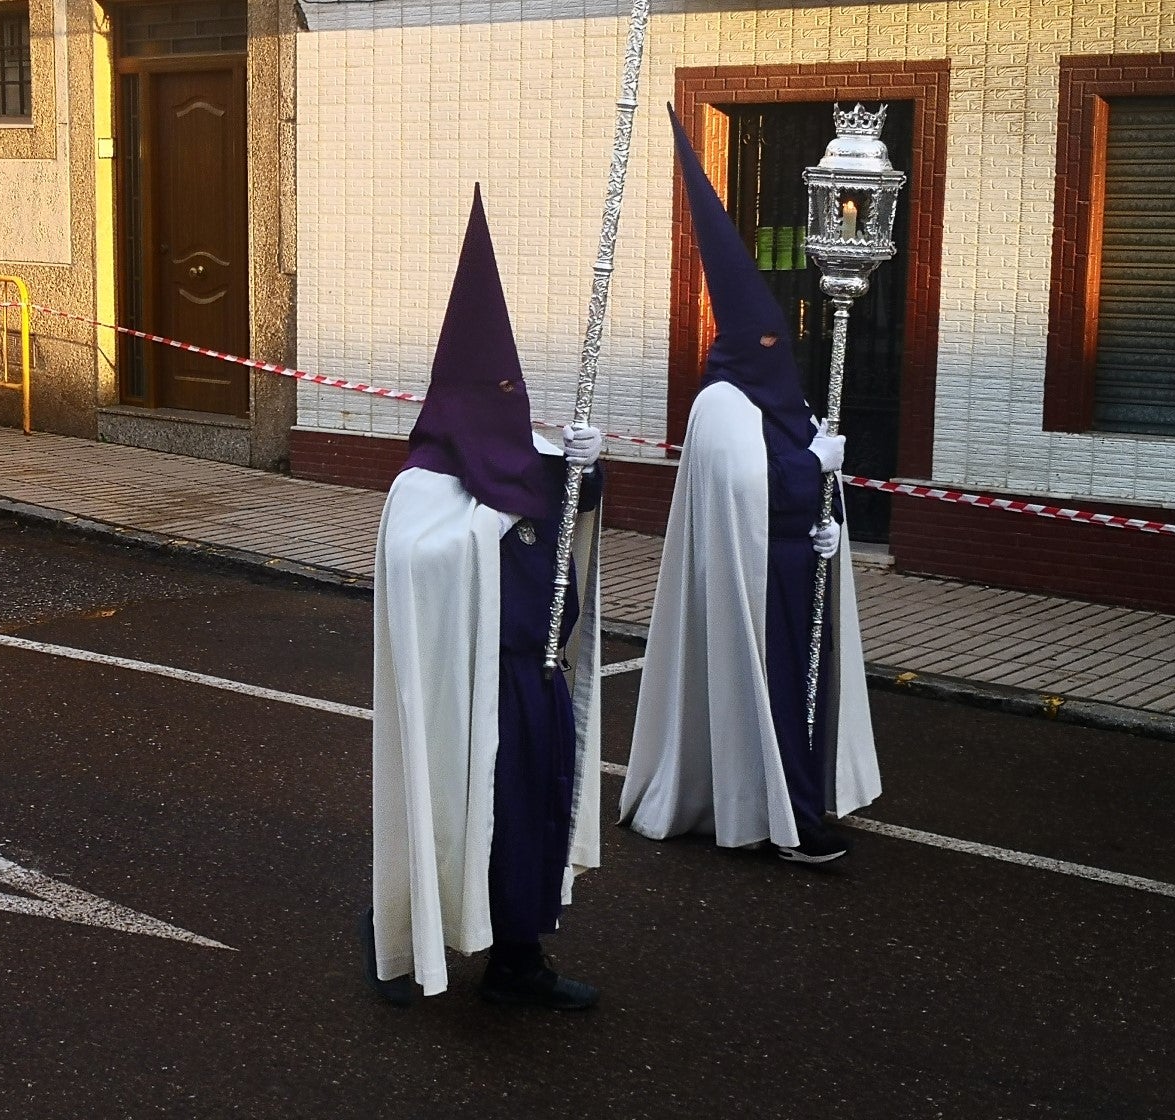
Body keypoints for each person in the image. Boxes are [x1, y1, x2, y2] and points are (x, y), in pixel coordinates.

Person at [364, 186, 607, 1010]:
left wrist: (587, 465)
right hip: (463, 689)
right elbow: (423, 567)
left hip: (535, 679)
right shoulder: (421, 486)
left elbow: (572, 506)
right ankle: (399, 931)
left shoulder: (526, 461)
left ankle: (517, 961)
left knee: (531, 820)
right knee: (458, 817)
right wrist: (493, 521)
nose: (506, 412)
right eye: (489, 396)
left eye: (514, 392)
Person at [616, 110, 880, 865]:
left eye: (779, 342)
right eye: (762, 343)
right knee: (766, 693)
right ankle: (779, 815)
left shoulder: (783, 401)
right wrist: (812, 470)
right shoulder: (721, 405)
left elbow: (797, 484)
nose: (774, 353)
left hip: (797, 573)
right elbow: (746, 487)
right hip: (752, 587)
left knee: (806, 691)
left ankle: (804, 795)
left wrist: (829, 523)